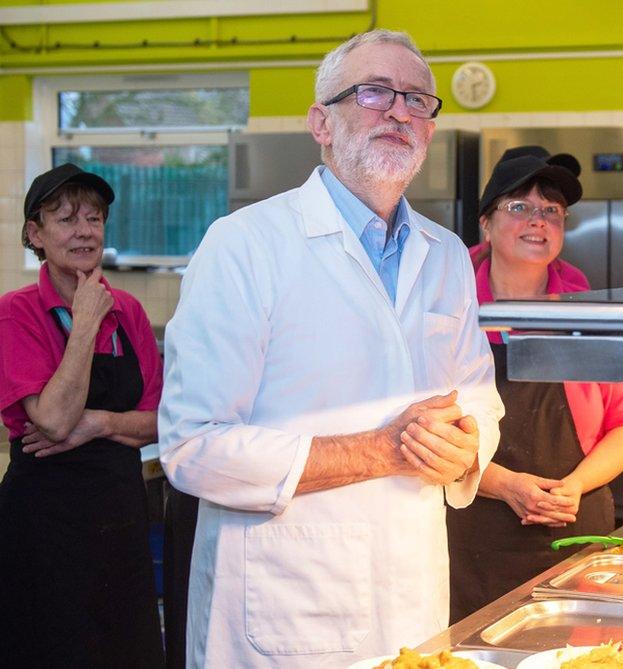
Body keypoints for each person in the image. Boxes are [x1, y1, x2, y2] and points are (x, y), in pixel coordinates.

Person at [157, 29, 503, 668]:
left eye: (418, 100)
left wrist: (468, 445)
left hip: (414, 599)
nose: (399, 111)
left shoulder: (447, 254)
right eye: (374, 92)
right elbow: (193, 447)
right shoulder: (245, 245)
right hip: (284, 616)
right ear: (321, 122)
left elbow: (479, 394)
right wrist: (381, 449)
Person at [447, 147, 623, 622]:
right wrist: (504, 483)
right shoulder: (452, 312)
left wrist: (574, 486)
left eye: (551, 211)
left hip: (575, 524)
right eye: (519, 206)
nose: (537, 220)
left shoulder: (587, 313)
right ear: (486, 223)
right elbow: (426, 430)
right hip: (473, 534)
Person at [0, 163, 165, 668]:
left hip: (119, 518)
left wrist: (101, 423)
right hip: (42, 527)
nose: (85, 231)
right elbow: (51, 419)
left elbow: (161, 419)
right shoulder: (16, 313)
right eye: (67, 219)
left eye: (94, 219)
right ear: (35, 234)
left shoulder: (131, 311)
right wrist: (86, 322)